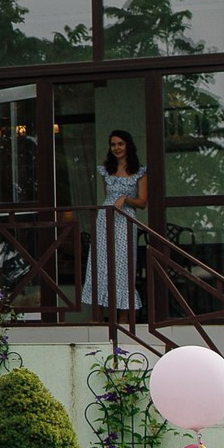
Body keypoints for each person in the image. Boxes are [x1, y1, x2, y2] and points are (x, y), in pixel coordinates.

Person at [83, 129, 148, 316]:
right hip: (105, 219)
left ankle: (124, 318)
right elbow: (107, 197)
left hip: (125, 220)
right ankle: (98, 316)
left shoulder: (140, 171)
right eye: (113, 144)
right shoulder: (106, 171)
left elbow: (143, 202)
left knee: (124, 266)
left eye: (120, 144)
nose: (117, 148)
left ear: (128, 145)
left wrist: (126, 198)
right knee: (100, 263)